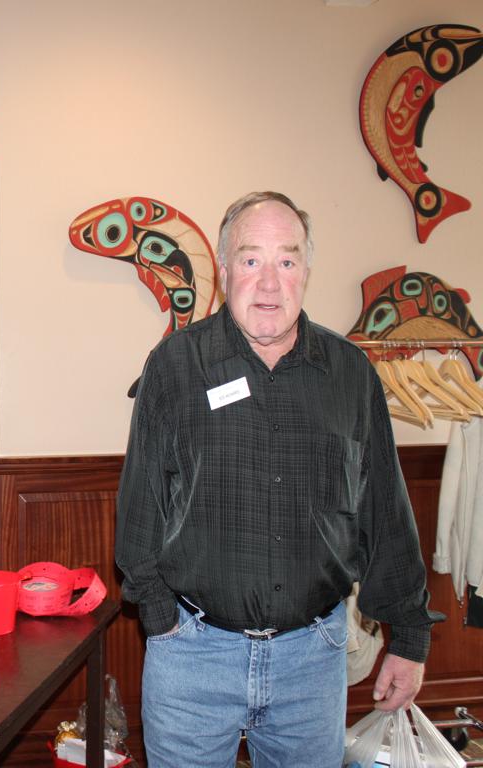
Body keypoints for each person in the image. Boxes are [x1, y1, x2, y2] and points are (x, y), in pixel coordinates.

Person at [115, 191, 436, 767]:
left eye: (286, 261)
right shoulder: (174, 367)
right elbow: (140, 509)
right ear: (223, 268)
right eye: (251, 260)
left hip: (313, 662)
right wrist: (162, 621)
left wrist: (409, 637)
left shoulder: (350, 374)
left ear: (306, 270)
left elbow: (385, 512)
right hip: (192, 657)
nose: (269, 283)